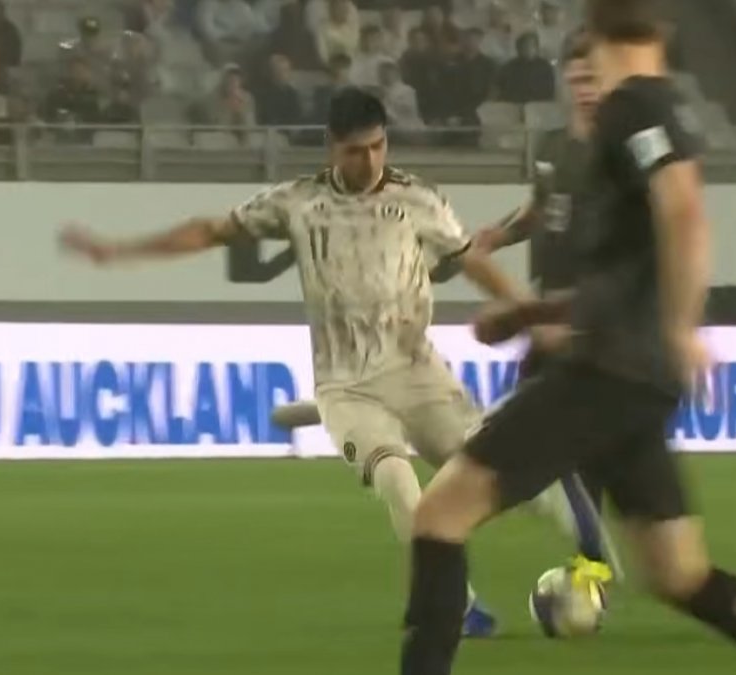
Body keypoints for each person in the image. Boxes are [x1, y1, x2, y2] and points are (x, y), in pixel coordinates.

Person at [400, 1, 736, 674]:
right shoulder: (654, 105)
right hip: (634, 379)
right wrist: (527, 317)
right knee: (679, 572)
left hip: (602, 372)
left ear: (594, 27)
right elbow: (627, 270)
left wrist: (678, 326)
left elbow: (686, 214)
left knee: (439, 514)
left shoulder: (630, 108)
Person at [61, 87, 531, 638]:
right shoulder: (298, 201)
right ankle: (452, 606)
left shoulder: (419, 198)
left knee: (498, 473)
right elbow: (212, 229)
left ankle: (588, 556)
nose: (371, 161)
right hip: (344, 387)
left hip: (415, 371)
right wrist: (123, 250)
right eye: (357, 150)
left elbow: (469, 261)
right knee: (398, 479)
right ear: (332, 147)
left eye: (378, 147)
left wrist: (526, 313)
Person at [269, 39, 618, 625]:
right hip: (542, 320)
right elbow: (540, 209)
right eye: (577, 75)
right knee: (518, 448)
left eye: (594, 76)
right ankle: (549, 565)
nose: (585, 86)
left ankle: (592, 552)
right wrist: (495, 240)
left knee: (549, 447)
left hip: (595, 317)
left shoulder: (627, 153)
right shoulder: (557, 149)